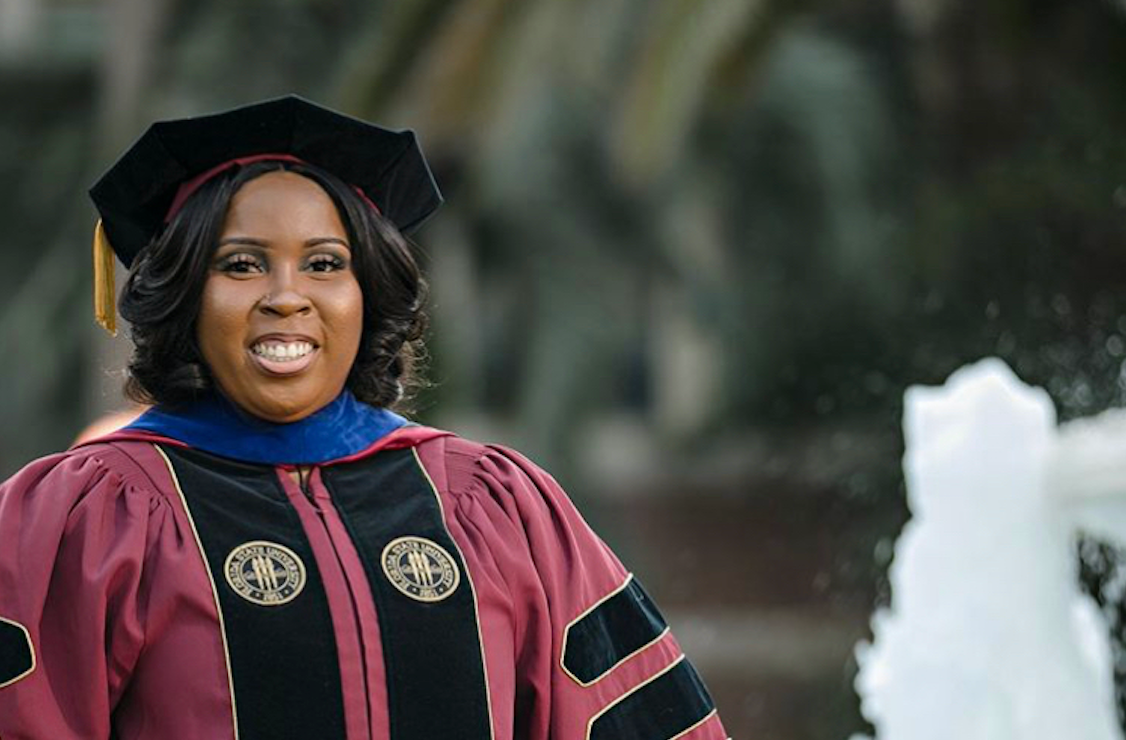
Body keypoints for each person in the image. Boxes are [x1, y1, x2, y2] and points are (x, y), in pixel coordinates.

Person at [0, 96, 728, 740]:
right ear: (186, 293)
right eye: (242, 265)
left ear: (367, 291)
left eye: (324, 264)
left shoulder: (494, 508)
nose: (287, 297)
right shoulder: (89, 519)